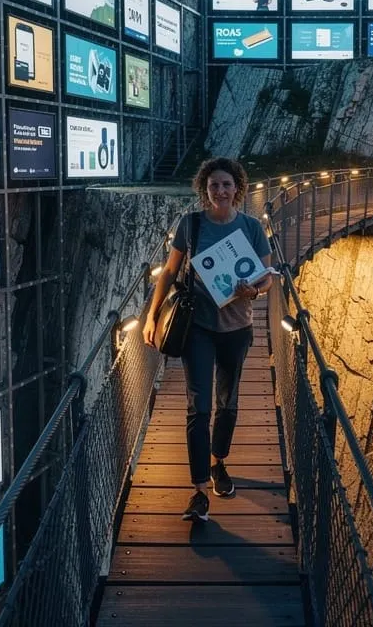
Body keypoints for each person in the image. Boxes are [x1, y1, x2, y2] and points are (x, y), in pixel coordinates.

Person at [143, 157, 274, 521]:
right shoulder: (192, 224)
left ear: (237, 189)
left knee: (227, 403)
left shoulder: (250, 227)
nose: (220, 191)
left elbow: (267, 276)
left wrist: (255, 292)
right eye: (214, 185)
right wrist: (151, 315)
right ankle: (199, 490)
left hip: (237, 328)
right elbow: (169, 272)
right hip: (197, 327)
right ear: (205, 189)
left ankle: (219, 463)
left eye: (226, 185)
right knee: (198, 408)